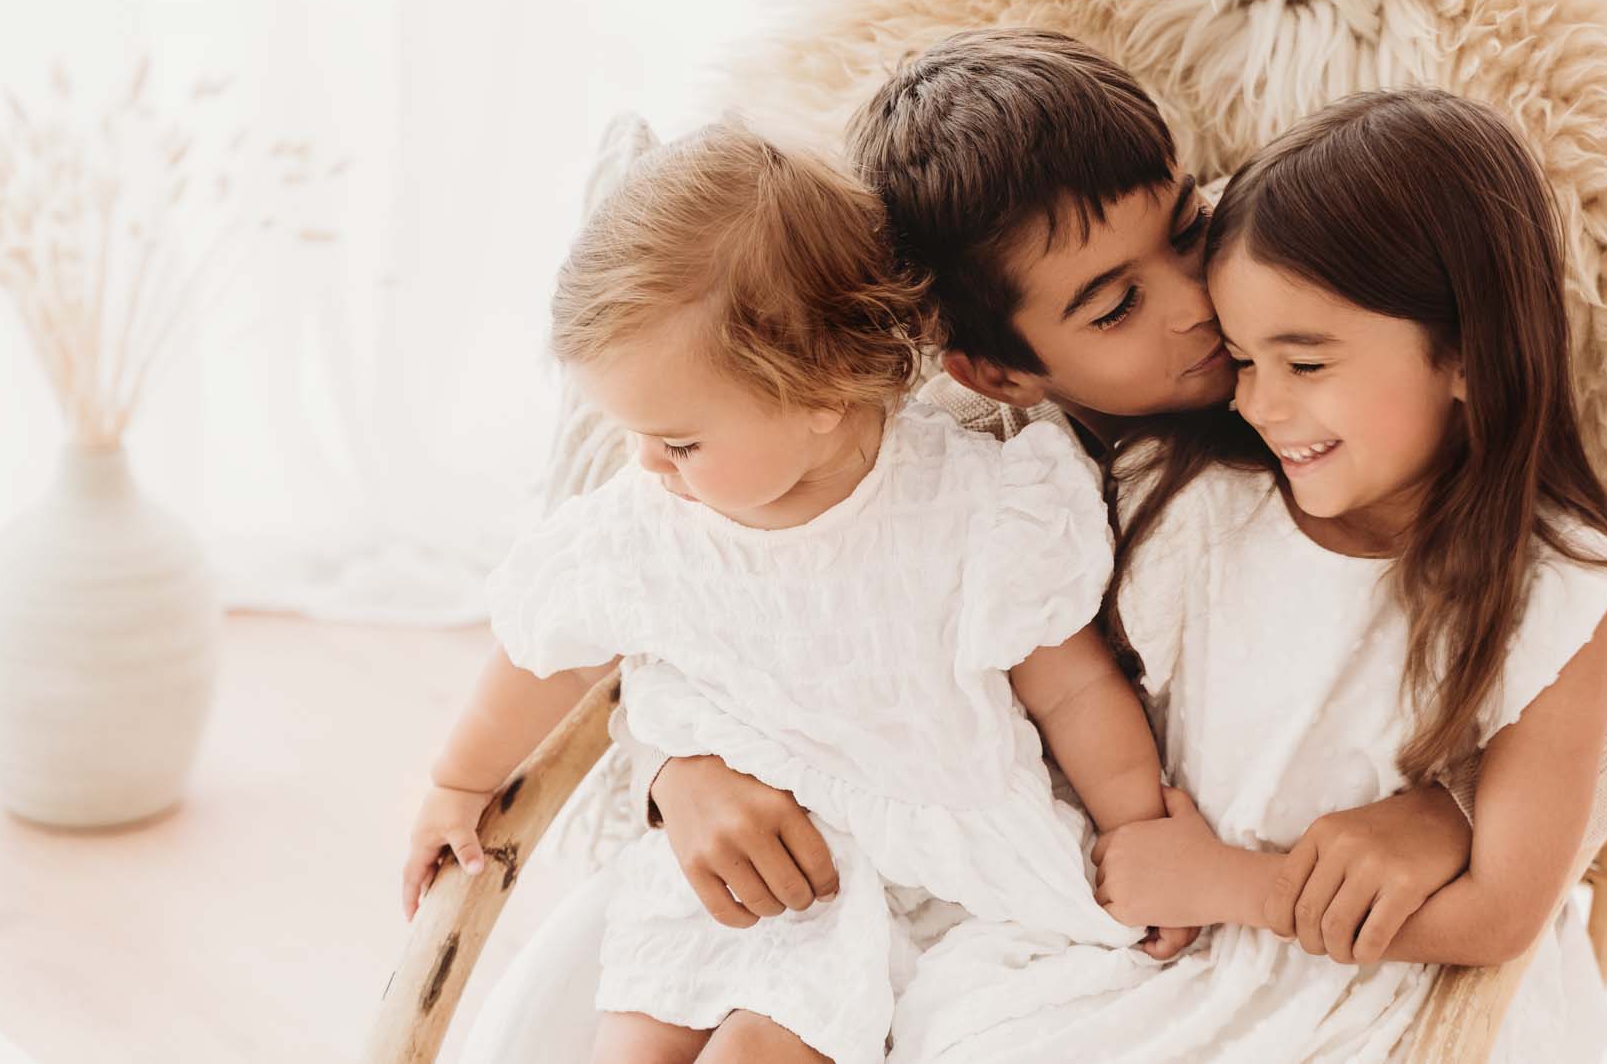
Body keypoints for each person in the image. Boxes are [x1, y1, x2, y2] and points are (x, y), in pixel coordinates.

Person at [892, 85, 1607, 1060]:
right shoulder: (1117, 487)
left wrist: (1448, 812)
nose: (1200, 322)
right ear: (997, 373)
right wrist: (688, 759)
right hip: (1159, 946)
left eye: (1186, 235)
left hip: (1351, 963)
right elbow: (821, 582)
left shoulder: (1294, 267)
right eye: (1118, 306)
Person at [402, 122, 1181, 1064]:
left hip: (934, 875)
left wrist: (1136, 825)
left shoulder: (971, 505)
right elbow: (544, 659)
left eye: (679, 440)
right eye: (636, 433)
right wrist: (458, 780)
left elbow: (1070, 686)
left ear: (825, 391)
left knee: (759, 1051)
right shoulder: (649, 524)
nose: (646, 463)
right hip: (735, 878)